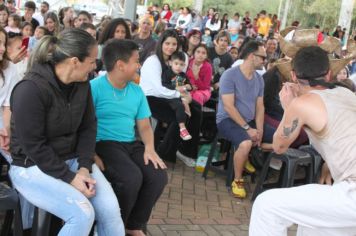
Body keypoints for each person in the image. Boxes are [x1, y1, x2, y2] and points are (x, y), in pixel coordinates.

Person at [8, 29, 125, 236]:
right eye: (91, 61)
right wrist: (70, 177)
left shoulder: (82, 85)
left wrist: (83, 167)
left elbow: (88, 127)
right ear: (74, 61)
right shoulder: (30, 89)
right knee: (81, 214)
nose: (95, 67)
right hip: (30, 166)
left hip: (71, 161)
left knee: (110, 211)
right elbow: (34, 146)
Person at [250, 45, 356, 235]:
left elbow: (278, 146)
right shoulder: (347, 94)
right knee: (313, 224)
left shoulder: (301, 104)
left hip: (351, 192)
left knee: (266, 206)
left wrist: (288, 108)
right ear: (329, 74)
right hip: (347, 190)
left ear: (293, 76)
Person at [91, 39, 167, 236]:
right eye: (136, 60)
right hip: (104, 144)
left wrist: (149, 148)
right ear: (120, 65)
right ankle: (114, 227)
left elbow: (144, 126)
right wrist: (91, 154)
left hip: (130, 144)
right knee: (131, 178)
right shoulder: (94, 88)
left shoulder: (136, 90)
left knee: (158, 175)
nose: (139, 65)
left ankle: (133, 225)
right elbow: (83, 126)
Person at [216, 40, 274, 198]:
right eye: (262, 56)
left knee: (279, 137)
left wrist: (260, 130)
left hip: (249, 120)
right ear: (251, 56)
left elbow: (260, 107)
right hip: (227, 119)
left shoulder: (259, 79)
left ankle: (249, 153)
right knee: (245, 142)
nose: (265, 60)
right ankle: (237, 180)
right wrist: (248, 129)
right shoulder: (230, 75)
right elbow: (228, 106)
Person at [140, 29, 203, 166]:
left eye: (174, 44)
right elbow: (158, 89)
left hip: (167, 97)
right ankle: (164, 152)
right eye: (167, 43)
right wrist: (181, 96)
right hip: (150, 98)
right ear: (161, 43)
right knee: (179, 115)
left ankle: (185, 151)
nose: (170, 47)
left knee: (196, 108)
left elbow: (181, 83)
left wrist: (186, 97)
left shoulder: (175, 61)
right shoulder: (153, 61)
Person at [161, 51, 193, 140]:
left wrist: (187, 86)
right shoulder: (167, 73)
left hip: (182, 95)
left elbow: (190, 86)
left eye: (181, 65)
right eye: (176, 63)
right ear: (170, 63)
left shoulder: (183, 75)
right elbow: (164, 84)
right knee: (180, 106)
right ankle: (182, 129)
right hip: (170, 96)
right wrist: (176, 88)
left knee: (186, 100)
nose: (179, 66)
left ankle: (186, 108)